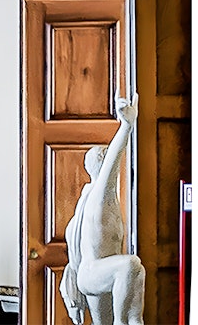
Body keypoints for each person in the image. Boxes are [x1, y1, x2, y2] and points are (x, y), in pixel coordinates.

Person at [61, 96, 145, 325]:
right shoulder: (100, 194)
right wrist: (126, 126)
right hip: (94, 273)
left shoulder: (88, 200)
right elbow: (113, 164)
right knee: (131, 265)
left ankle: (132, 320)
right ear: (102, 161)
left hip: (96, 273)